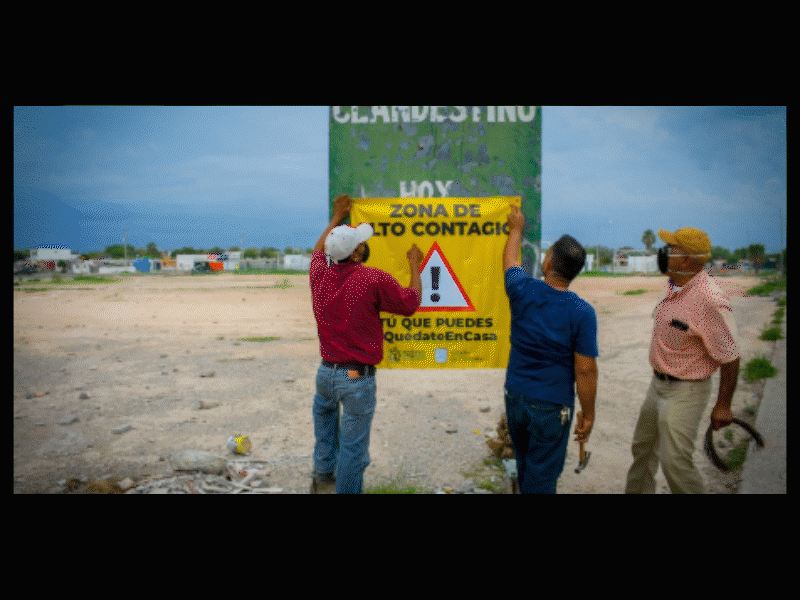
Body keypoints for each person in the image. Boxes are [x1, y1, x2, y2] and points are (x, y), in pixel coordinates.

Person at [309, 194, 423, 494]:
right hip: (356, 378)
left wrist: (336, 218)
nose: (364, 244)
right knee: (353, 451)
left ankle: (322, 479)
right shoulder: (370, 279)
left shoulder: (319, 274)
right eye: (360, 243)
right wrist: (415, 265)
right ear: (356, 254)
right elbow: (410, 303)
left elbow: (318, 251)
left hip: (325, 374)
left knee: (325, 430)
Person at [625, 227, 739, 494]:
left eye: (670, 248)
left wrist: (723, 405)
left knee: (675, 462)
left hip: (686, 391)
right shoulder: (676, 285)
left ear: (687, 259)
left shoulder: (710, 301)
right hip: (657, 386)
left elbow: (730, 357)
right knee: (642, 450)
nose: (663, 252)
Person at [502, 204, 598, 493]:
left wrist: (516, 229)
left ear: (547, 263)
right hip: (551, 406)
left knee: (525, 466)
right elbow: (585, 370)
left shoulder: (523, 291)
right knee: (541, 479)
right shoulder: (582, 312)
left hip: (516, 397)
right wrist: (589, 414)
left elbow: (509, 261)